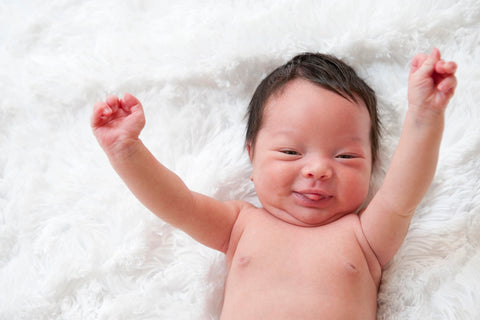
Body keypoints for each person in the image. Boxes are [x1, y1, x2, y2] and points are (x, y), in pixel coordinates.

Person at [91, 49, 457, 319]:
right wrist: (126, 150)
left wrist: (425, 115)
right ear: (252, 156)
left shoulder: (364, 236)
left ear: (373, 166)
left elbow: (402, 191)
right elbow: (176, 203)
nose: (318, 170)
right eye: (290, 151)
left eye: (345, 156)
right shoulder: (239, 225)